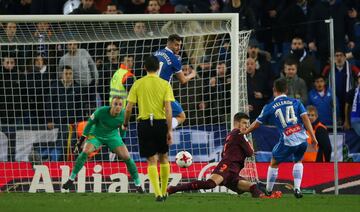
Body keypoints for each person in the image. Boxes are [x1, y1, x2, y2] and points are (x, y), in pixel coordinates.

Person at [167, 112, 281, 199]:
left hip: (233, 171)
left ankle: (264, 198)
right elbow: (250, 153)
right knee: (210, 184)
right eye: (244, 123)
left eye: (248, 123)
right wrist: (249, 145)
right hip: (229, 166)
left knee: (252, 187)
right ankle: (174, 189)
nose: (247, 126)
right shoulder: (239, 134)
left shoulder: (231, 134)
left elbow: (224, 152)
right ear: (237, 123)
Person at [244, 78, 318, 198]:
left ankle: (268, 190)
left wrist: (246, 131)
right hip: (302, 138)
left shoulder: (270, 106)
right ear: (287, 90)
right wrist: (313, 137)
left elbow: (257, 123)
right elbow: (305, 119)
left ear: (274, 89)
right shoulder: (296, 102)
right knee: (298, 160)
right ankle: (297, 189)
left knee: (274, 162)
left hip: (288, 139)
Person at [62, 96, 143, 192]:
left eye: (120, 104)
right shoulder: (101, 111)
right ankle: (71, 179)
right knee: (85, 152)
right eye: (115, 104)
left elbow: (122, 131)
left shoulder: (124, 115)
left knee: (127, 157)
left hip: (112, 137)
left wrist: (120, 141)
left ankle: (138, 185)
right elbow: (89, 124)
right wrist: (81, 141)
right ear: (111, 105)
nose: (118, 106)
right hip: (96, 135)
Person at [123, 55, 174, 202]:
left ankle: (157, 193)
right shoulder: (165, 84)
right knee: (164, 158)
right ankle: (164, 191)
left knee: (151, 160)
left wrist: (125, 124)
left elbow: (128, 109)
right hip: (160, 123)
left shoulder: (137, 84)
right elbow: (168, 109)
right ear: (158, 68)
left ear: (144, 68)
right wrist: (169, 130)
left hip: (144, 124)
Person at [154, 34, 197, 129]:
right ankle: (165, 129)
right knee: (182, 116)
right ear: (169, 43)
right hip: (163, 93)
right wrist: (192, 75)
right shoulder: (175, 59)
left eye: (180, 45)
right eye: (176, 45)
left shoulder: (156, 53)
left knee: (157, 117)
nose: (179, 48)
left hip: (150, 91)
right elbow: (182, 80)